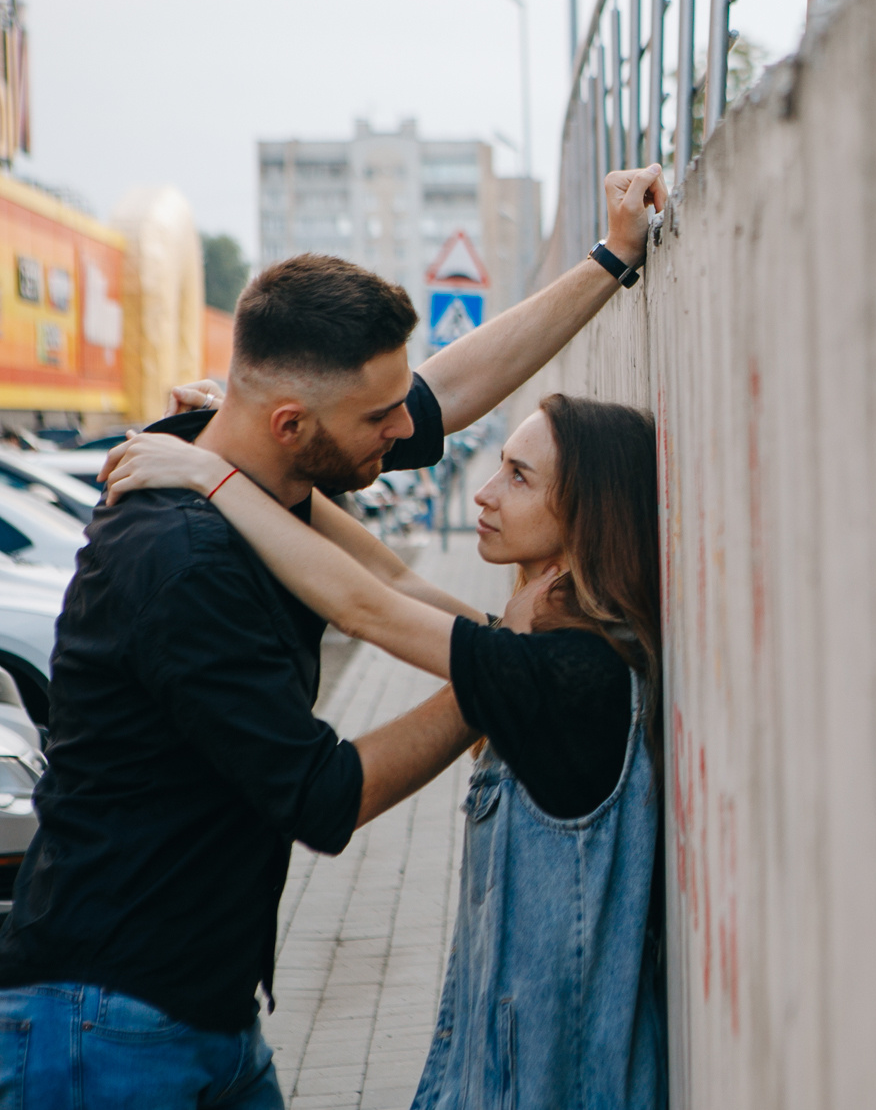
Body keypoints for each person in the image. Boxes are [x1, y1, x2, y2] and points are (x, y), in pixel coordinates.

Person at [0, 165, 665, 1108]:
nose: (405, 435)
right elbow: (324, 788)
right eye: (379, 420)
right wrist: (514, 674)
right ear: (288, 422)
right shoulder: (185, 558)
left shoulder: (261, 466)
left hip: (204, 1014)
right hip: (107, 1026)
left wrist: (611, 259)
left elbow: (427, 439)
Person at [101, 393, 664, 1109]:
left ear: (589, 510)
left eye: (519, 477)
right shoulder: (546, 656)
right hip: (508, 1071)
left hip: (552, 1084)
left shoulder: (571, 676)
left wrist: (214, 480)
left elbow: (364, 606)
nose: (485, 493)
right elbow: (392, 578)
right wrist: (245, 456)